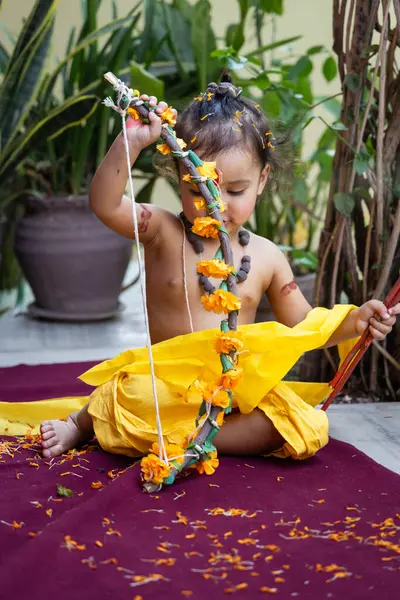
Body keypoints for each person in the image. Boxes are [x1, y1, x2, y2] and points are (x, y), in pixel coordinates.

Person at [40, 76, 399, 463]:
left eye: (236, 191)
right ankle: (81, 424)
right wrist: (130, 143)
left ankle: (188, 439)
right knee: (131, 394)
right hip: (165, 387)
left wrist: (357, 321)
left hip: (232, 391)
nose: (217, 206)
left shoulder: (267, 256)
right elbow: (105, 205)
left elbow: (305, 325)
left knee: (301, 424)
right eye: (200, 190)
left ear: (262, 181)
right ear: (179, 177)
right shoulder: (162, 231)